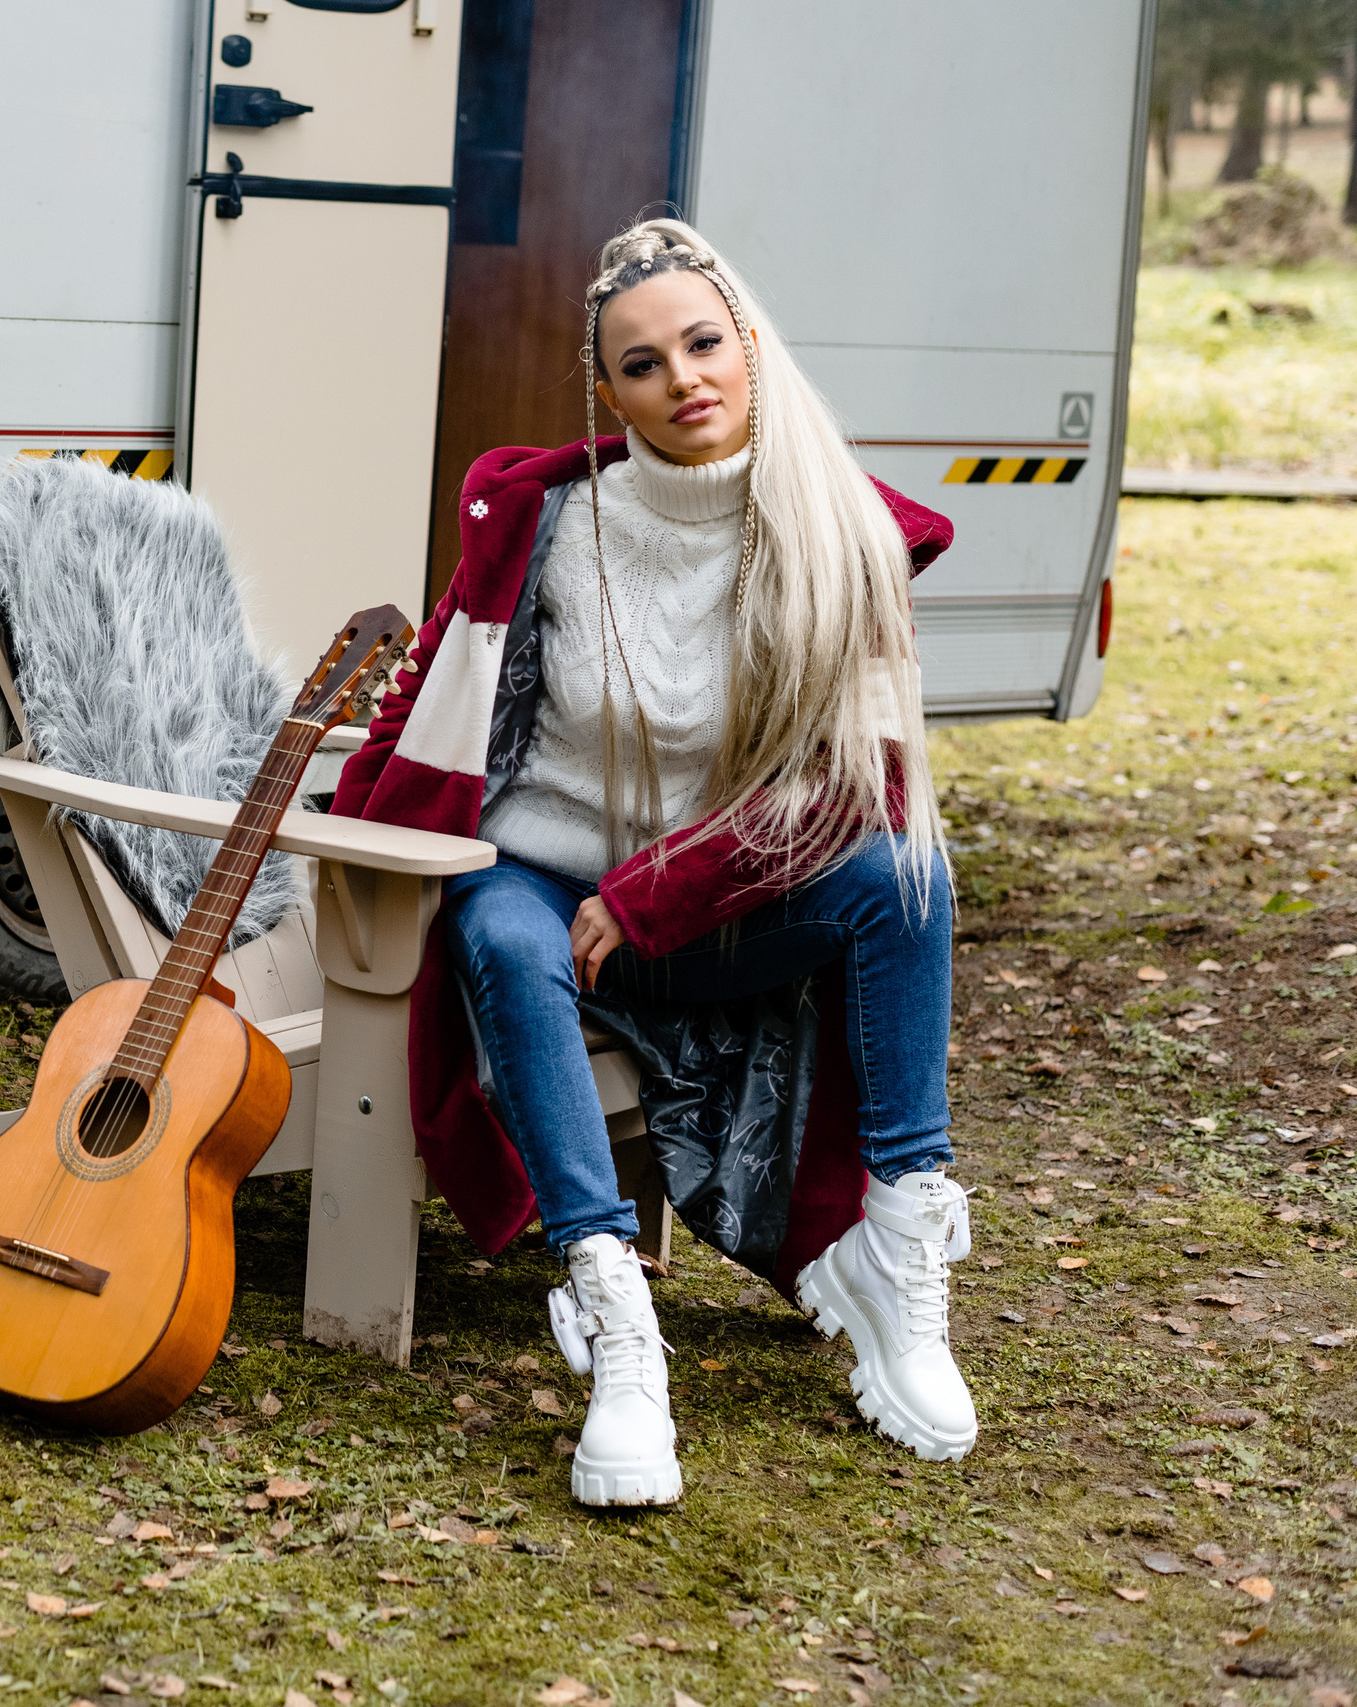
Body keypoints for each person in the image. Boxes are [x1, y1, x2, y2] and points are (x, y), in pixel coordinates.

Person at [329, 217, 974, 1509]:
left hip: (704, 905)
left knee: (908, 869)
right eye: (642, 363)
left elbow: (866, 784)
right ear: (605, 391)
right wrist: (362, 810)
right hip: (542, 880)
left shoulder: (843, 528)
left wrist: (651, 897)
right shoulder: (548, 521)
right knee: (501, 931)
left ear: (747, 344)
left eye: (701, 342)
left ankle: (897, 1248)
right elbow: (439, 707)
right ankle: (615, 1318)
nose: (682, 377)